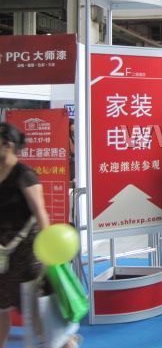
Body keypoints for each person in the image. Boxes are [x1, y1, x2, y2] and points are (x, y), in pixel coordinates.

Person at [0, 123, 80, 348]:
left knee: (40, 316)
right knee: (1, 310)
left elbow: (40, 212)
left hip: (27, 257)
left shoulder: (24, 175)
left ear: (8, 144)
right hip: (3, 258)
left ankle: (66, 343)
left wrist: (48, 253)